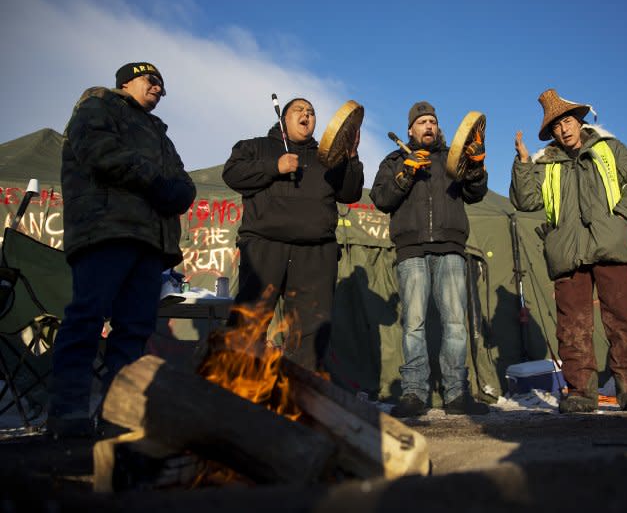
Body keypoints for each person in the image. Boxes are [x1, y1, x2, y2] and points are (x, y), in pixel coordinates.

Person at [51, 62, 196, 437]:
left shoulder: (160, 134)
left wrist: (179, 191)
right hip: (106, 230)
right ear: (127, 81)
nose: (159, 90)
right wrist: (156, 183)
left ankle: (117, 417)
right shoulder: (99, 104)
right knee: (87, 318)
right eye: (152, 81)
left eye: (163, 86)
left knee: (133, 331)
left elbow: (182, 180)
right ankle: (67, 413)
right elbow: (98, 151)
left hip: (151, 242)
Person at [510, 88, 627, 413]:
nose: (563, 129)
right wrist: (522, 162)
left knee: (625, 321)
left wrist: (619, 220)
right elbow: (525, 201)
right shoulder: (544, 162)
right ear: (551, 133)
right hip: (567, 252)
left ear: (578, 121)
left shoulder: (609, 148)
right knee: (573, 327)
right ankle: (580, 393)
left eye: (568, 121)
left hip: (612, 247)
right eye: (556, 126)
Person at [222, 98, 364, 371]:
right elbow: (232, 174)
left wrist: (352, 156)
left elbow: (350, 193)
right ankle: (232, 386)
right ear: (283, 119)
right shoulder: (256, 147)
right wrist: (274, 167)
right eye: (299, 110)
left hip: (315, 251)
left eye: (311, 112)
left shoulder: (328, 157)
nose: (307, 115)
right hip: (265, 244)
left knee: (311, 324)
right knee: (250, 318)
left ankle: (298, 394)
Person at [370, 101, 489, 417]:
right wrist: (406, 173)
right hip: (411, 249)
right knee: (414, 325)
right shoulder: (394, 159)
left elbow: (477, 193)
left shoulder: (454, 158)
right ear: (410, 129)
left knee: (454, 324)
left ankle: (456, 395)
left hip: (450, 246)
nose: (428, 126)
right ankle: (414, 395)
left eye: (432, 121)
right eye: (421, 122)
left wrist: (475, 165)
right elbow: (381, 199)